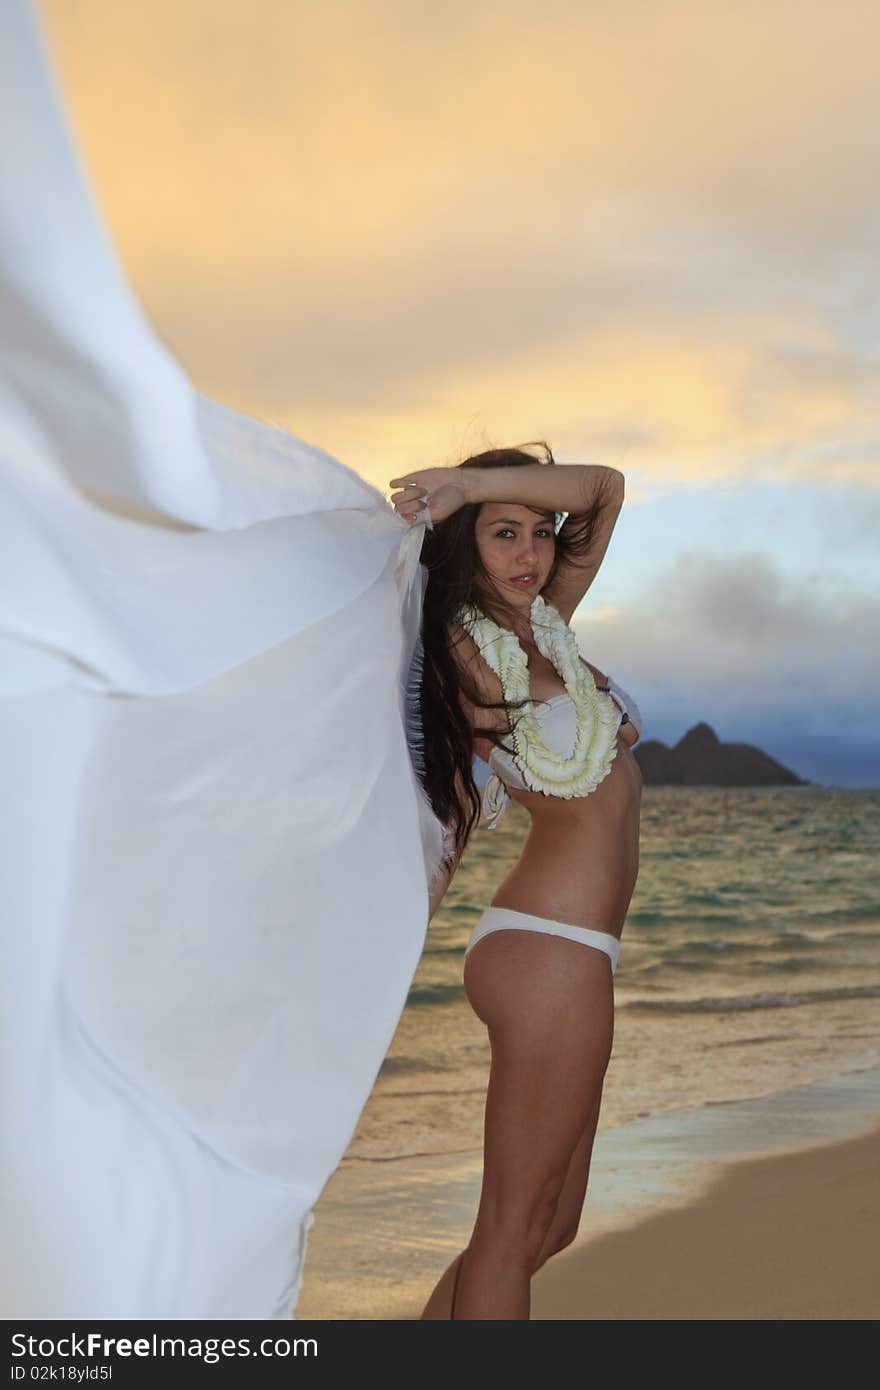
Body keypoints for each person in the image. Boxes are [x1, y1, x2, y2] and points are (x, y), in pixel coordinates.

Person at [390, 447, 643, 1320]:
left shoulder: (547, 627)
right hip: (549, 952)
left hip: (574, 950)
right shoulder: (459, 642)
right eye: (503, 535)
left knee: (547, 1226)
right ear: (466, 542)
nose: (530, 552)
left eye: (539, 531)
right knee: (511, 1229)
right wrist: (462, 497)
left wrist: (483, 491)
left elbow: (602, 492)